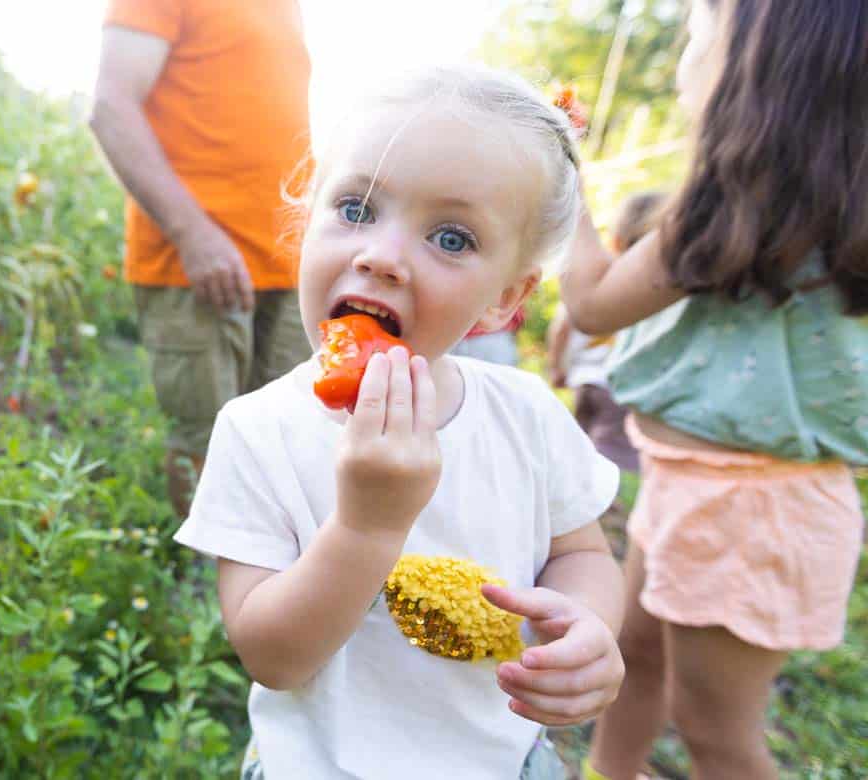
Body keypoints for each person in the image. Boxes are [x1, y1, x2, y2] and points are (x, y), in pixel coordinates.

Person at [174, 64, 626, 779]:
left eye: (450, 238)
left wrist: (589, 625)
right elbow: (273, 656)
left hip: (501, 764)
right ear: (306, 221)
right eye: (356, 209)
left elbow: (582, 556)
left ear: (504, 302)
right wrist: (367, 528)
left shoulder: (527, 415)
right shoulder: (257, 431)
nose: (381, 257)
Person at [561, 2, 868, 779]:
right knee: (632, 653)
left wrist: (560, 177)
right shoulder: (826, 204)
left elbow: (591, 303)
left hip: (752, 510)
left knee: (717, 737)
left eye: (702, 29)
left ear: (757, 68)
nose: (683, 53)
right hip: (697, 486)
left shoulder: (732, 203)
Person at [90, 0, 313, 518]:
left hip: (287, 261)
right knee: (207, 448)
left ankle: (270, 588)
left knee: (290, 443)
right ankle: (201, 593)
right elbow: (110, 107)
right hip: (195, 264)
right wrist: (193, 234)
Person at [547, 191, 666, 474]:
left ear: (615, 240)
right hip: (616, 387)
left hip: (584, 381)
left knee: (581, 442)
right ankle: (605, 500)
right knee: (609, 449)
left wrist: (557, 367)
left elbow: (562, 328)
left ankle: (575, 486)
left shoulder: (597, 277)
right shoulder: (653, 291)